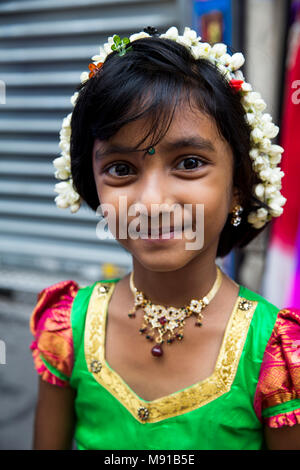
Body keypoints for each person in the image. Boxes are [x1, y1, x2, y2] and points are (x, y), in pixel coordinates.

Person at [29, 27, 300, 450]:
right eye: (121, 169)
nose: (151, 203)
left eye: (189, 162)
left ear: (239, 185)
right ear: (93, 186)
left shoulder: (274, 354)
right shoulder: (69, 329)